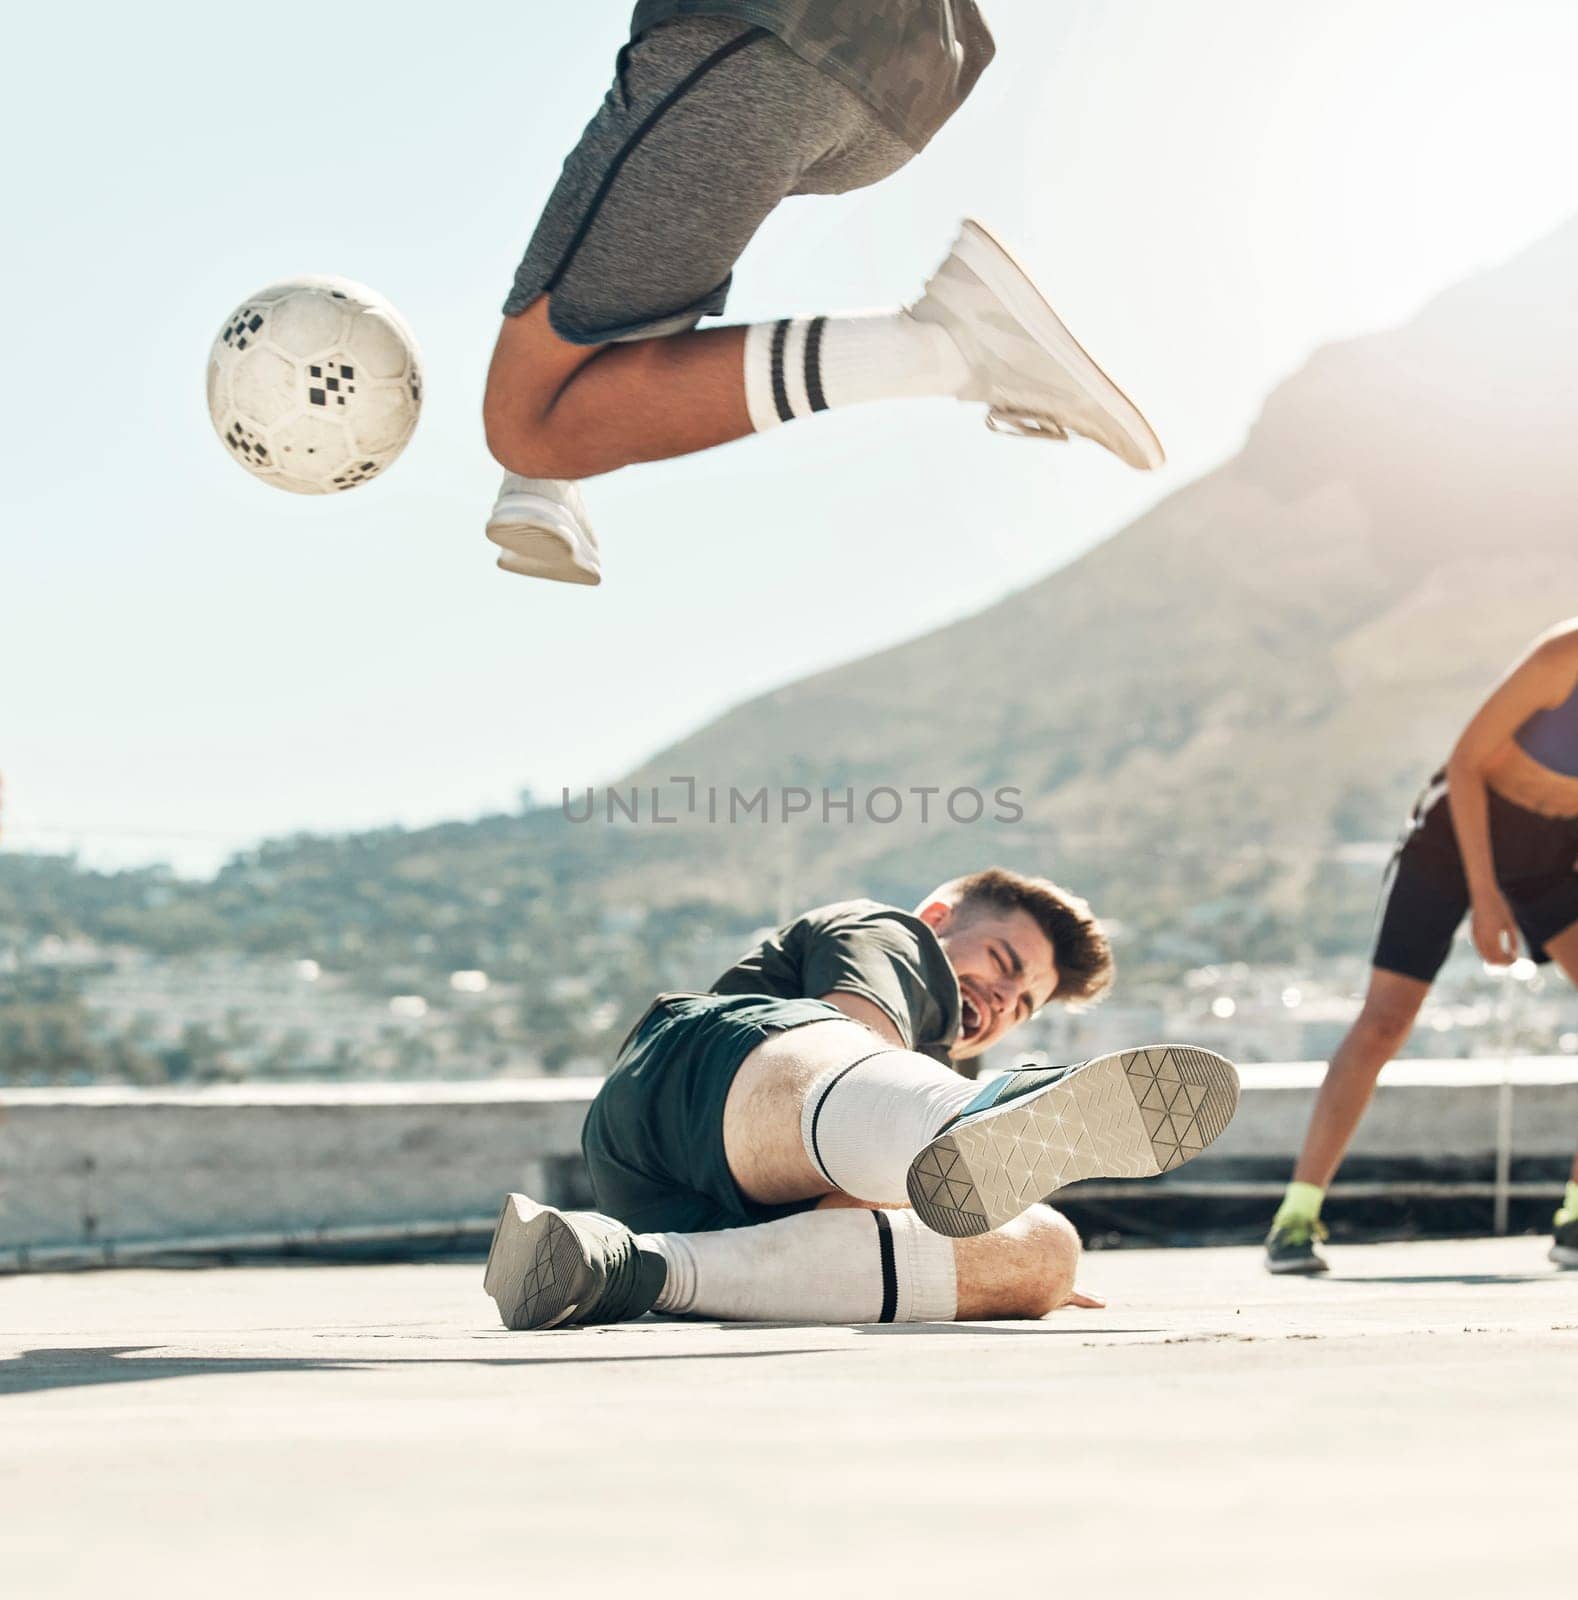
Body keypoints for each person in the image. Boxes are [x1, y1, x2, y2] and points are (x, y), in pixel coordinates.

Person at [481, 3, 1164, 586]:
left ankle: (944, 350)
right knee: (637, 252)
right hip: (900, 84)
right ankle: (553, 474)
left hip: (767, 38)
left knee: (529, 424)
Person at [484, 868, 1239, 1328]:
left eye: (1024, 1002)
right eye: (1003, 961)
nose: (1003, 998)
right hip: (692, 1094)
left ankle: (614, 1268)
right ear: (943, 919)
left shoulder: (941, 1065)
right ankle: (970, 1117)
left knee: (1047, 1253)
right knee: (903, 1119)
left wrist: (999, 1270)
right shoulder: (892, 936)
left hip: (700, 1215)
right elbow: (848, 1041)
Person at [1266, 621, 1578, 1274]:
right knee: (1386, 1019)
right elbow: (1466, 763)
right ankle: (1295, 1216)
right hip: (1454, 835)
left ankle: (1575, 1215)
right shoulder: (1564, 654)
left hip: (1554, 851)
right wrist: (1486, 897)